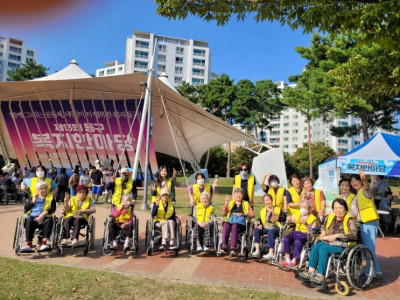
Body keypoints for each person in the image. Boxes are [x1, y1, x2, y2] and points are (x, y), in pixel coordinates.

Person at [300, 199, 358, 284]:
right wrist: (323, 231)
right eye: (336, 208)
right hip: (330, 242)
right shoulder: (331, 217)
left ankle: (320, 275)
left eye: (340, 208)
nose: (338, 210)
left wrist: (337, 235)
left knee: (323, 249)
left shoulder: (349, 219)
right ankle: (311, 272)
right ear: (333, 209)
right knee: (316, 246)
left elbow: (354, 234)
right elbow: (323, 226)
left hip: (343, 245)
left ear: (345, 208)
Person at [349, 171, 382, 278]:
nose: (354, 183)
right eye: (352, 181)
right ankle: (376, 272)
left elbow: (368, 188)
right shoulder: (356, 194)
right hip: (362, 224)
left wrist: (364, 179)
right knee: (366, 249)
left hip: (370, 223)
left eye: (356, 181)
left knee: (369, 249)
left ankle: (369, 273)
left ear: (360, 181)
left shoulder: (364, 191)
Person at [281, 199, 318, 267]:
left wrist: (306, 224)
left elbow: (313, 232)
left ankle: (294, 260)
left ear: (309, 209)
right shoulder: (298, 213)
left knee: (297, 242)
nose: (302, 208)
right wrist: (288, 219)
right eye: (301, 207)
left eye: (305, 207)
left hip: (305, 234)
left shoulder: (313, 218)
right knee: (286, 238)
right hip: (296, 232)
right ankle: (287, 259)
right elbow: (291, 220)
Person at [219, 188, 255, 256]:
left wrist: (243, 214)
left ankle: (233, 248)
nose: (238, 195)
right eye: (236, 193)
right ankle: (224, 246)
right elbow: (224, 213)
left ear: (242, 195)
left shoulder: (246, 203)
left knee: (234, 226)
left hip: (240, 224)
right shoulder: (230, 203)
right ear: (234, 195)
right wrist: (226, 204)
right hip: (230, 221)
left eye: (240, 193)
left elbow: (252, 214)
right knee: (226, 224)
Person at [22, 182, 56, 251]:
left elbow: (53, 208)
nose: (43, 190)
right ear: (37, 190)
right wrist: (33, 201)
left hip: (45, 217)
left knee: (49, 221)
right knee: (29, 221)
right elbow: (26, 209)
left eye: (45, 188)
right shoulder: (33, 196)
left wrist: (43, 214)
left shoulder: (51, 196)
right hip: (33, 217)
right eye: (41, 189)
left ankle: (43, 243)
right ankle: (29, 244)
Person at [252, 194, 281, 260]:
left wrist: (277, 217)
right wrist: (260, 225)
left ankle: (271, 253)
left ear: (272, 200)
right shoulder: (262, 210)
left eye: (268, 200)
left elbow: (283, 219)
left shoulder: (278, 209)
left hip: (275, 227)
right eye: (266, 201)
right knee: (256, 229)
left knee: (271, 230)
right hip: (266, 227)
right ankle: (257, 250)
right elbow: (261, 220)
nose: (267, 202)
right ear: (264, 202)